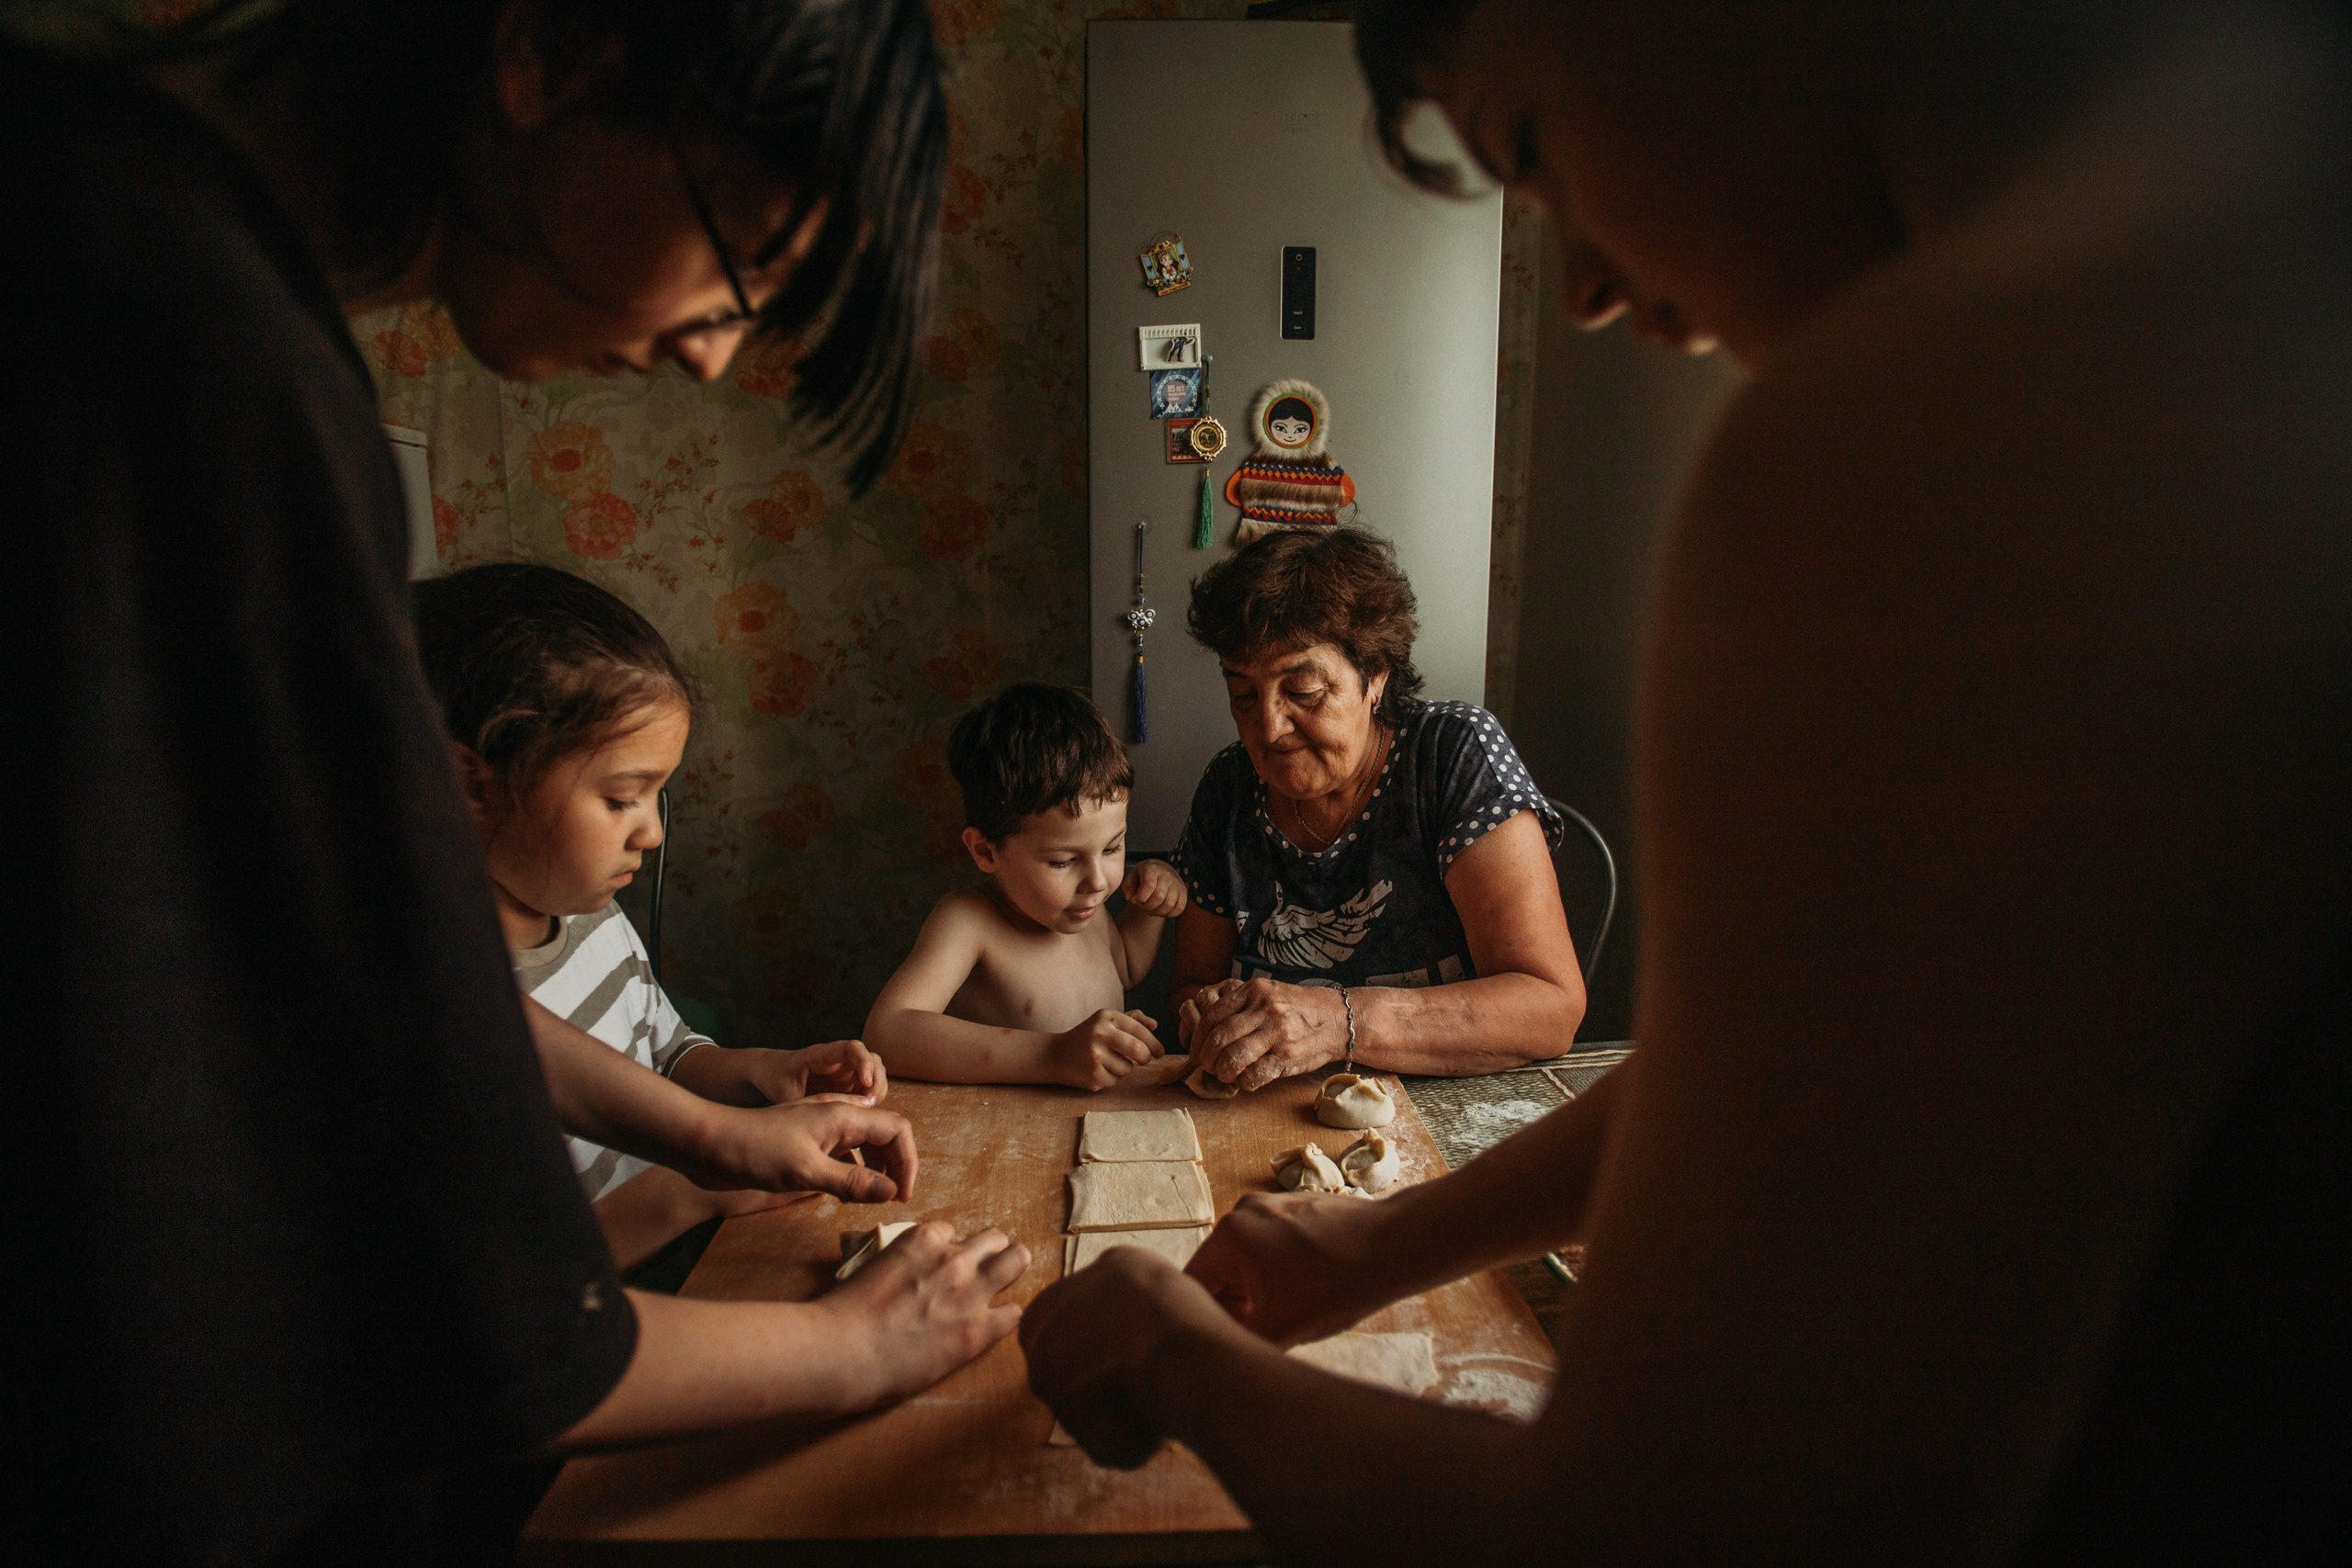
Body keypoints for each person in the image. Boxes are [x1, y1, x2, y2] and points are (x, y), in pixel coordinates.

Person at [1023, 2, 2352, 1562]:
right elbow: (1801, 1070)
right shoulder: (2258, 209)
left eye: (1532, 143)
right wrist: (1380, 1241)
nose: (1584, 283)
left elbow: (1654, 1518)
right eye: (1244, 695)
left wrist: (1172, 1352)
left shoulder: (1949, 424)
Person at [9, 3, 1027, 1563]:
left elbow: (383, 984)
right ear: (550, 48)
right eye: (741, 258)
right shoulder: (182, 346)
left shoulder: (117, 223)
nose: (714, 351)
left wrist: (705, 1128)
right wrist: (859, 1342)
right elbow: (471, 1326)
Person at [415, 561, 901, 1270]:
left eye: (657, 795)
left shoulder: (595, 920)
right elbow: (517, 1283)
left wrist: (765, 1073)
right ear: (470, 783)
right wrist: (696, 1188)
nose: (652, 831)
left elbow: (668, 1055)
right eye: (621, 798)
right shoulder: (428, 1011)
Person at [1169, 527, 1586, 1086]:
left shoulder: (1450, 755)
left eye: (1304, 690)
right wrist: (1206, 1016)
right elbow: (1191, 983)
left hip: (1436, 1098)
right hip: (1269, 1098)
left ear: (1376, 677)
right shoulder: (1228, 784)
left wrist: (1338, 1022)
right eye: (1243, 694)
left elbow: (1550, 1008)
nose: (1268, 727)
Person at [865, 683, 1191, 1089]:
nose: (1098, 881)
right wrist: (1051, 1055)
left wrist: (1149, 908)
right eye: (1063, 861)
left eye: (1112, 848)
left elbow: (1125, 969)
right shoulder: (968, 922)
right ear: (986, 851)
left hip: (1095, 1115)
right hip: (1004, 1123)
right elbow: (888, 1033)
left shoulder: (1084, 906)